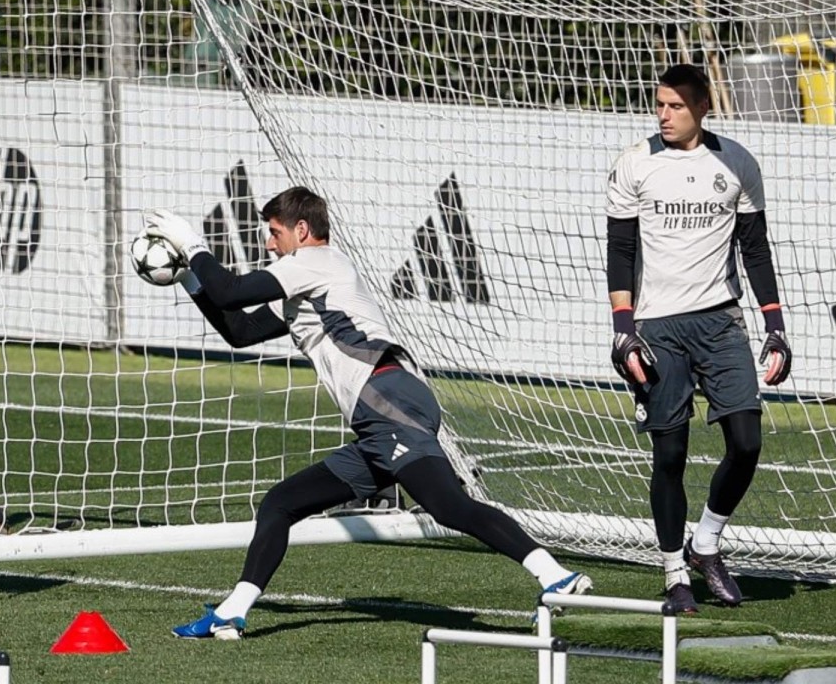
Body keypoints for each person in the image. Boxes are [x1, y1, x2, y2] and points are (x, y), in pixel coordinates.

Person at [144, 185, 592, 639]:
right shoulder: (302, 282)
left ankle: (556, 575)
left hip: (387, 399)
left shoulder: (316, 262)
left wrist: (193, 244)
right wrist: (189, 279)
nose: (268, 242)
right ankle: (232, 612)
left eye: (274, 232)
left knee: (447, 506)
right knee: (280, 504)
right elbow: (239, 330)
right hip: (379, 415)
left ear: (302, 230)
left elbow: (232, 291)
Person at [605, 64, 792, 614]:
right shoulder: (634, 165)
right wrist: (623, 330)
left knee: (747, 440)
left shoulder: (736, 163)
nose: (663, 115)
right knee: (671, 452)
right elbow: (620, 251)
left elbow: (755, 251)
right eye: (658, 104)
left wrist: (775, 326)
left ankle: (705, 543)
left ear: (704, 106)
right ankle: (673, 572)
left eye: (675, 106)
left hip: (720, 321)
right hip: (658, 326)